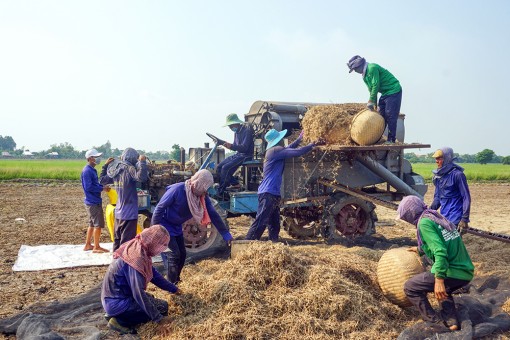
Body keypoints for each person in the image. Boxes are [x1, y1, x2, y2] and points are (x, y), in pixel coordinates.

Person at [397, 195, 474, 331]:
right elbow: (441, 241)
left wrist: (439, 280)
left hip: (452, 271)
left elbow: (440, 252)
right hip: (465, 271)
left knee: (410, 287)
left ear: (410, 214)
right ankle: (452, 322)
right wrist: (420, 249)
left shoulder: (424, 223)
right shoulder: (433, 216)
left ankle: (435, 322)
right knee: (445, 290)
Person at [151, 169, 233, 283]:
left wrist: (225, 234)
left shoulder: (201, 196)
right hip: (165, 226)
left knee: (182, 254)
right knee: (174, 255)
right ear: (199, 183)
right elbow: (159, 209)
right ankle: (171, 285)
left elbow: (213, 214)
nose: (206, 191)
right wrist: (155, 230)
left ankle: (176, 280)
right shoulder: (177, 190)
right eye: (205, 187)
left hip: (177, 227)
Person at [101, 225, 180, 334]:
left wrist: (174, 289)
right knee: (162, 307)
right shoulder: (136, 259)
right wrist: (159, 319)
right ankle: (119, 321)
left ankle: (120, 316)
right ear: (153, 243)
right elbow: (138, 293)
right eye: (160, 246)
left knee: (153, 300)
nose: (159, 251)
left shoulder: (139, 246)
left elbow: (154, 275)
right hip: (118, 303)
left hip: (116, 297)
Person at [245, 129, 322, 242]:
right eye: (281, 139)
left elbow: (289, 148)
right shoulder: (275, 150)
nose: (282, 140)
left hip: (273, 193)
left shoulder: (275, 151)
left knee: (274, 223)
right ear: (278, 140)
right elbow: (297, 152)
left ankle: (274, 243)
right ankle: (247, 243)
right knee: (261, 221)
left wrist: (300, 139)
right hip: (268, 192)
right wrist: (312, 144)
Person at [100, 148, 148, 251]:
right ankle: (123, 264)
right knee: (126, 243)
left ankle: (116, 260)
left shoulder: (115, 170)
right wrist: (142, 162)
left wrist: (105, 166)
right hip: (129, 213)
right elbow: (141, 178)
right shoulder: (129, 169)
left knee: (117, 239)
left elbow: (102, 180)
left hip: (118, 212)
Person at [347, 55, 402, 143]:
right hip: (385, 93)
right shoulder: (364, 76)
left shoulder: (372, 68)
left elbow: (376, 85)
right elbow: (371, 89)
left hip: (393, 89)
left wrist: (370, 101)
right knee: (380, 114)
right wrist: (374, 104)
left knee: (390, 115)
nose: (355, 71)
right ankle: (378, 138)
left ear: (359, 65)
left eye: (355, 69)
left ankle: (391, 139)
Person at [430, 147, 471, 231]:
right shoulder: (438, 177)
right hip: (444, 215)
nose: (436, 161)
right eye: (436, 159)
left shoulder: (457, 175)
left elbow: (466, 197)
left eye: (439, 158)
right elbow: (437, 198)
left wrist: (464, 219)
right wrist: (428, 212)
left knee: (452, 240)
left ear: (447, 159)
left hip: (456, 215)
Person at [216, 113, 254, 195]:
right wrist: (227, 145)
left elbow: (244, 148)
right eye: (229, 126)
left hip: (246, 155)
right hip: (239, 154)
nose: (230, 128)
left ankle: (220, 192)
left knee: (225, 168)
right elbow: (235, 146)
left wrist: (231, 146)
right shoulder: (236, 132)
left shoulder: (246, 131)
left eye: (231, 125)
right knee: (219, 167)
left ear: (236, 123)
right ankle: (235, 184)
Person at [81, 148, 109, 253]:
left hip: (92, 200)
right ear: (90, 158)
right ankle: (96, 246)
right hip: (93, 201)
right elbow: (88, 187)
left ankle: (88, 244)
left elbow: (94, 184)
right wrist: (102, 188)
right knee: (98, 224)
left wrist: (102, 186)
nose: (98, 159)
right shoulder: (87, 171)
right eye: (96, 157)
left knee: (92, 224)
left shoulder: (91, 170)